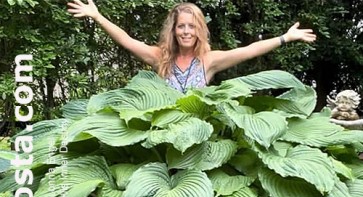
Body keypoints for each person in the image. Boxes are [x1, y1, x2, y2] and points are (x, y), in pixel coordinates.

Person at [67, 0, 316, 93]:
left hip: (198, 141)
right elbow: (127, 41)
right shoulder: (159, 58)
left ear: (199, 30)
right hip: (163, 136)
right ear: (174, 30)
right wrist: (97, 16)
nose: (186, 31)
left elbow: (248, 50)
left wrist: (286, 37)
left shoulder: (209, 60)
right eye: (181, 26)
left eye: (191, 26)